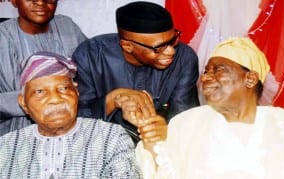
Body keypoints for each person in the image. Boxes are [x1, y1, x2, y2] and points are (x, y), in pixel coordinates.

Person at [136, 37, 284, 179]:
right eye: (206, 71)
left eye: (218, 69)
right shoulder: (184, 124)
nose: (205, 77)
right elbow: (160, 172)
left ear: (250, 79)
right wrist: (153, 145)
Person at [72, 1, 200, 143]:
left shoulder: (184, 58)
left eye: (173, 40)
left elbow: (186, 118)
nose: (171, 51)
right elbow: (75, 120)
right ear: (127, 46)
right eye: (159, 47)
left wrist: (162, 127)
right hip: (102, 143)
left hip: (161, 145)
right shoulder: (90, 55)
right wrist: (112, 100)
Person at [0, 51, 142, 178]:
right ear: (23, 103)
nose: (55, 99)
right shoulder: (5, 145)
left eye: (63, 88)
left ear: (76, 93)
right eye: (40, 92)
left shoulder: (111, 136)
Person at [0, 0, 86, 136]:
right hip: (15, 132)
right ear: (14, 2)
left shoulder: (66, 26)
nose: (41, 2)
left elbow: (89, 75)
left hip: (72, 122)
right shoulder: (3, 37)